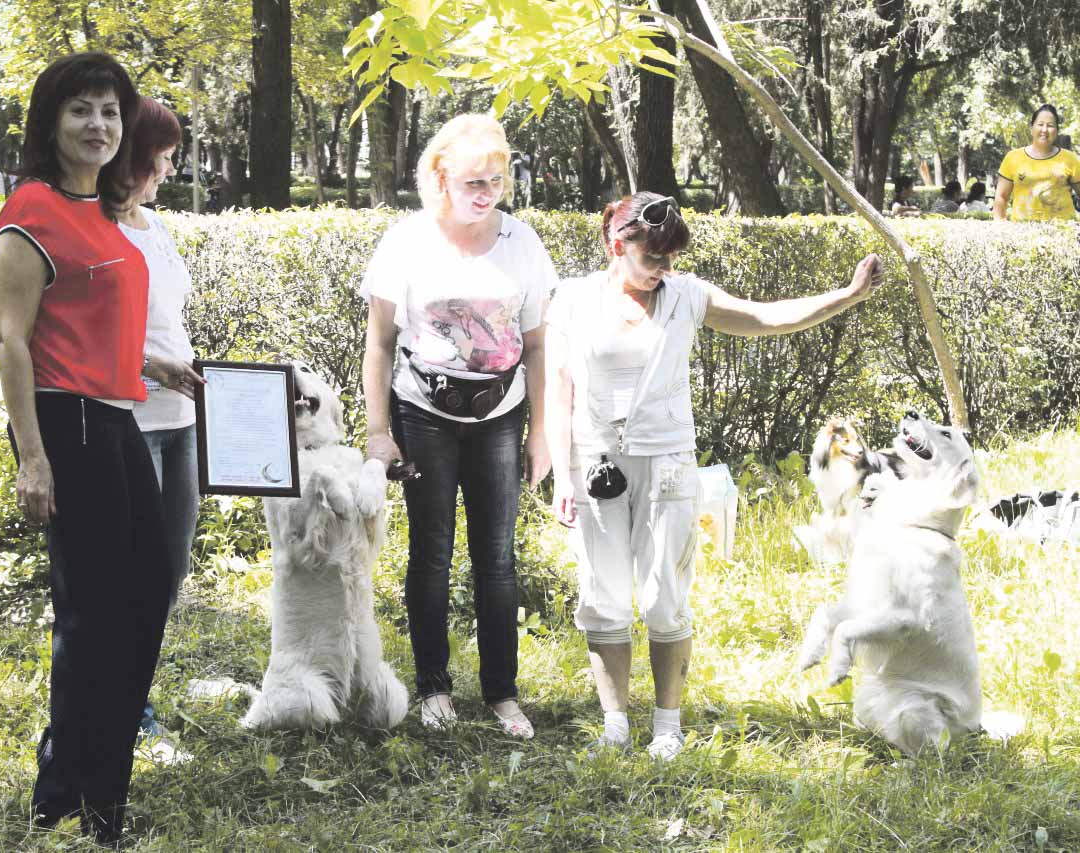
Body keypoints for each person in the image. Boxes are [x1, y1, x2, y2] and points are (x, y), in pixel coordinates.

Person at [543, 191, 882, 760]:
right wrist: (560, 475)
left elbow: (765, 317)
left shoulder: (687, 296)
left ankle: (667, 726)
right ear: (617, 245)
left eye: (671, 257)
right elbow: (557, 394)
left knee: (664, 596)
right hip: (595, 463)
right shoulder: (573, 299)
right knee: (603, 596)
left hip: (668, 464)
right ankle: (615, 725)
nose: (664, 268)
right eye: (653, 257)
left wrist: (845, 296)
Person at [0, 52, 192, 844]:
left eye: (110, 111)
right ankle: (79, 798)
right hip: (66, 424)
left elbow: (91, 322)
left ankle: (89, 785)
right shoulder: (32, 209)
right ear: (52, 121)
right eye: (81, 109)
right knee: (96, 613)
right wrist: (32, 458)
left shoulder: (104, 212)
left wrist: (155, 362)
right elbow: (13, 339)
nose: (98, 125)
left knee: (142, 598)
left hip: (116, 419)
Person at [360, 113, 557, 738]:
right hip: (423, 412)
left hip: (500, 414)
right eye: (474, 181)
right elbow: (379, 343)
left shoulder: (523, 244)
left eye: (497, 181)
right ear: (440, 177)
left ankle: (503, 694)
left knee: (497, 557)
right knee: (432, 553)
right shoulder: (407, 241)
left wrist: (542, 432)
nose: (486, 193)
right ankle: (434, 688)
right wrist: (378, 430)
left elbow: (538, 346)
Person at [115, 96, 205, 754]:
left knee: (169, 567)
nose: (169, 170)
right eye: (164, 157)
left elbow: (168, 320)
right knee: (131, 571)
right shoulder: (93, 228)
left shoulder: (155, 224)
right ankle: (128, 713)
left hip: (182, 419)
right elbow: (76, 338)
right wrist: (150, 366)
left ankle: (135, 688)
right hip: (130, 418)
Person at [994, 104, 1080, 221]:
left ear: (1056, 131)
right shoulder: (1013, 158)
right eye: (1040, 124)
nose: (1044, 130)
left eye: (1050, 125)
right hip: (1022, 229)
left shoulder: (1070, 159)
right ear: (1031, 128)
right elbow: (1001, 197)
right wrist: (1000, 225)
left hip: (1062, 229)